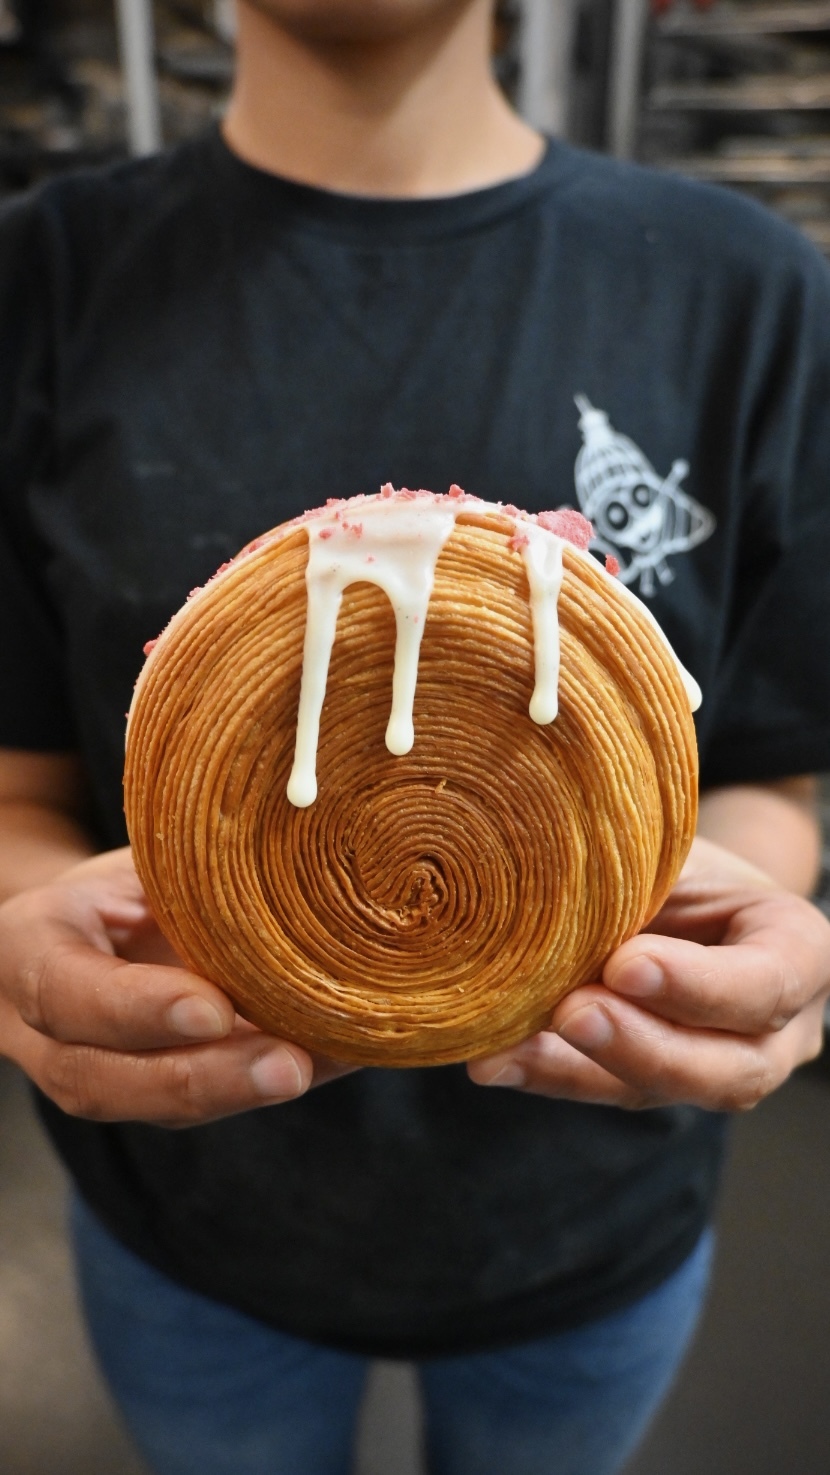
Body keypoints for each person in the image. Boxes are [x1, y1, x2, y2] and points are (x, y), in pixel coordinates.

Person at [1, 1, 829, 1472]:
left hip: (592, 1233)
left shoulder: (750, 292)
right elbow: (20, 786)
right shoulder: (36, 284)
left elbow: (764, 761)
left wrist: (751, 917)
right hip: (186, 1227)